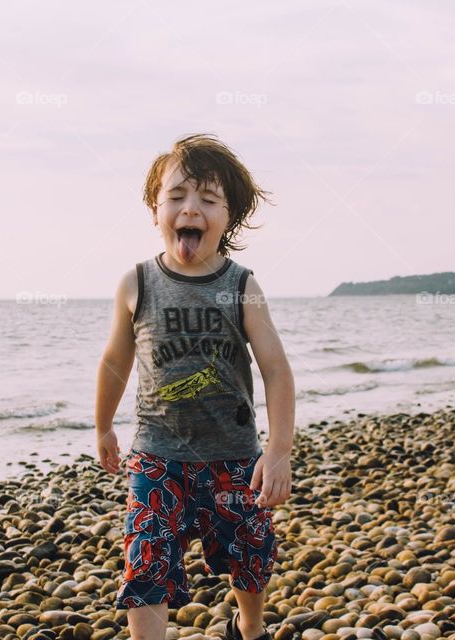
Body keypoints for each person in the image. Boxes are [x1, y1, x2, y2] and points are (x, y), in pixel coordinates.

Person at [94, 133, 296, 640]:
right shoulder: (136, 283)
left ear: (229, 218)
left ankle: (249, 628)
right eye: (178, 196)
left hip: (233, 457)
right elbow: (115, 360)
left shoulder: (241, 286)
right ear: (154, 208)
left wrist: (278, 452)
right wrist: (102, 427)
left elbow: (275, 368)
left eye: (208, 200)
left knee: (250, 556)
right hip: (157, 456)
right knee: (147, 562)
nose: (192, 209)